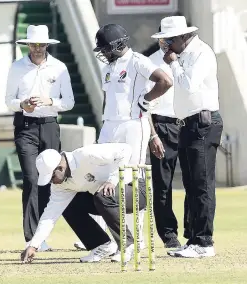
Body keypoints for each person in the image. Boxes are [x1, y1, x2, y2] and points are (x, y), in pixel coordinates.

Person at [90, 23, 173, 256]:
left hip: (132, 126)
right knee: (103, 178)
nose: (103, 52)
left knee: (129, 180)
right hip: (109, 126)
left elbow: (165, 81)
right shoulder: (109, 67)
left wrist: (145, 101)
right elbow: (109, 100)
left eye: (106, 48)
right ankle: (114, 240)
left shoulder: (138, 61)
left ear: (118, 44)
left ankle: (137, 239)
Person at [152, 16, 223, 258]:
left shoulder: (201, 53)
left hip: (203, 123)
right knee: (191, 185)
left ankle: (204, 241)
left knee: (201, 184)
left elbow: (189, 84)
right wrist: (175, 61)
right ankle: (194, 239)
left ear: (183, 37)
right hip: (187, 125)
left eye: (169, 41)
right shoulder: (183, 55)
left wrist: (172, 63)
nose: (166, 46)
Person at [5, 25, 75, 250]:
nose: (37, 49)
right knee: (31, 179)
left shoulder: (60, 68)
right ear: (27, 45)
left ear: (47, 45)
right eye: (33, 45)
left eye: (41, 45)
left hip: (49, 127)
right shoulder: (17, 68)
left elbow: (69, 102)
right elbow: (9, 100)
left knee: (51, 179)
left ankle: (42, 235)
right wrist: (22, 104)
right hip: (25, 127)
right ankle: (32, 237)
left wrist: (50, 102)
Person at [21, 143, 149, 264]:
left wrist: (113, 180)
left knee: (103, 195)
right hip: (105, 199)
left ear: (60, 168)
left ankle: (128, 244)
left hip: (136, 189)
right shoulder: (60, 186)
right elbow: (50, 215)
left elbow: (125, 149)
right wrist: (34, 245)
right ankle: (101, 244)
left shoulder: (85, 155)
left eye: (52, 177)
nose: (52, 182)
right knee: (70, 205)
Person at [148, 34, 182, 249]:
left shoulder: (190, 59)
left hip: (190, 123)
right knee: (162, 184)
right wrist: (153, 135)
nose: (168, 44)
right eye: (164, 40)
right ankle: (169, 235)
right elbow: (145, 104)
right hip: (162, 125)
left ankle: (196, 233)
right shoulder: (150, 63)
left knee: (195, 182)